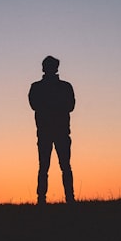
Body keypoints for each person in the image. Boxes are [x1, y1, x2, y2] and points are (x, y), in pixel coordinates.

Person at [28, 55, 75, 205]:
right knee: (52, 167)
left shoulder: (38, 87)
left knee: (54, 167)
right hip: (51, 131)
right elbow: (34, 105)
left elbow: (70, 106)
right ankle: (58, 199)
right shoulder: (63, 87)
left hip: (52, 131)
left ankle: (53, 199)